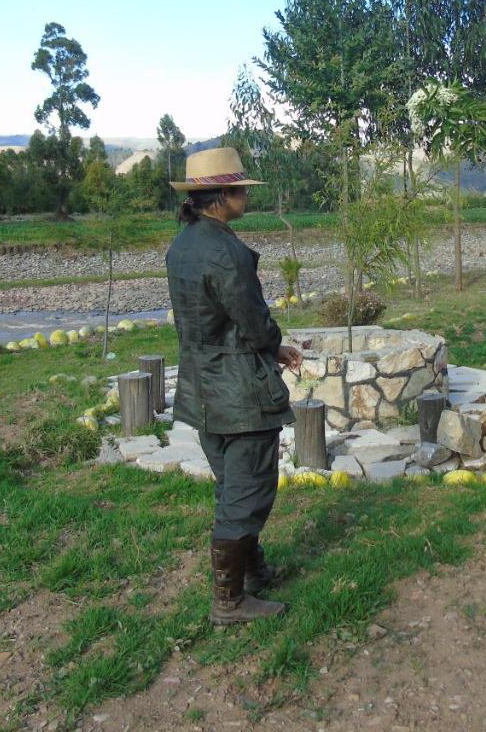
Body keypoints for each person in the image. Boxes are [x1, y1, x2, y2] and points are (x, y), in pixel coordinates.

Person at [166, 147, 303, 624]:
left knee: (232, 485)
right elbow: (253, 322)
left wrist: (270, 347)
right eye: (241, 188)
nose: (246, 194)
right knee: (248, 491)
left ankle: (252, 573)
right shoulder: (227, 253)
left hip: (200, 389)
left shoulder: (182, 245)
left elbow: (210, 320)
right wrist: (274, 345)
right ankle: (229, 601)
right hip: (238, 393)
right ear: (221, 195)